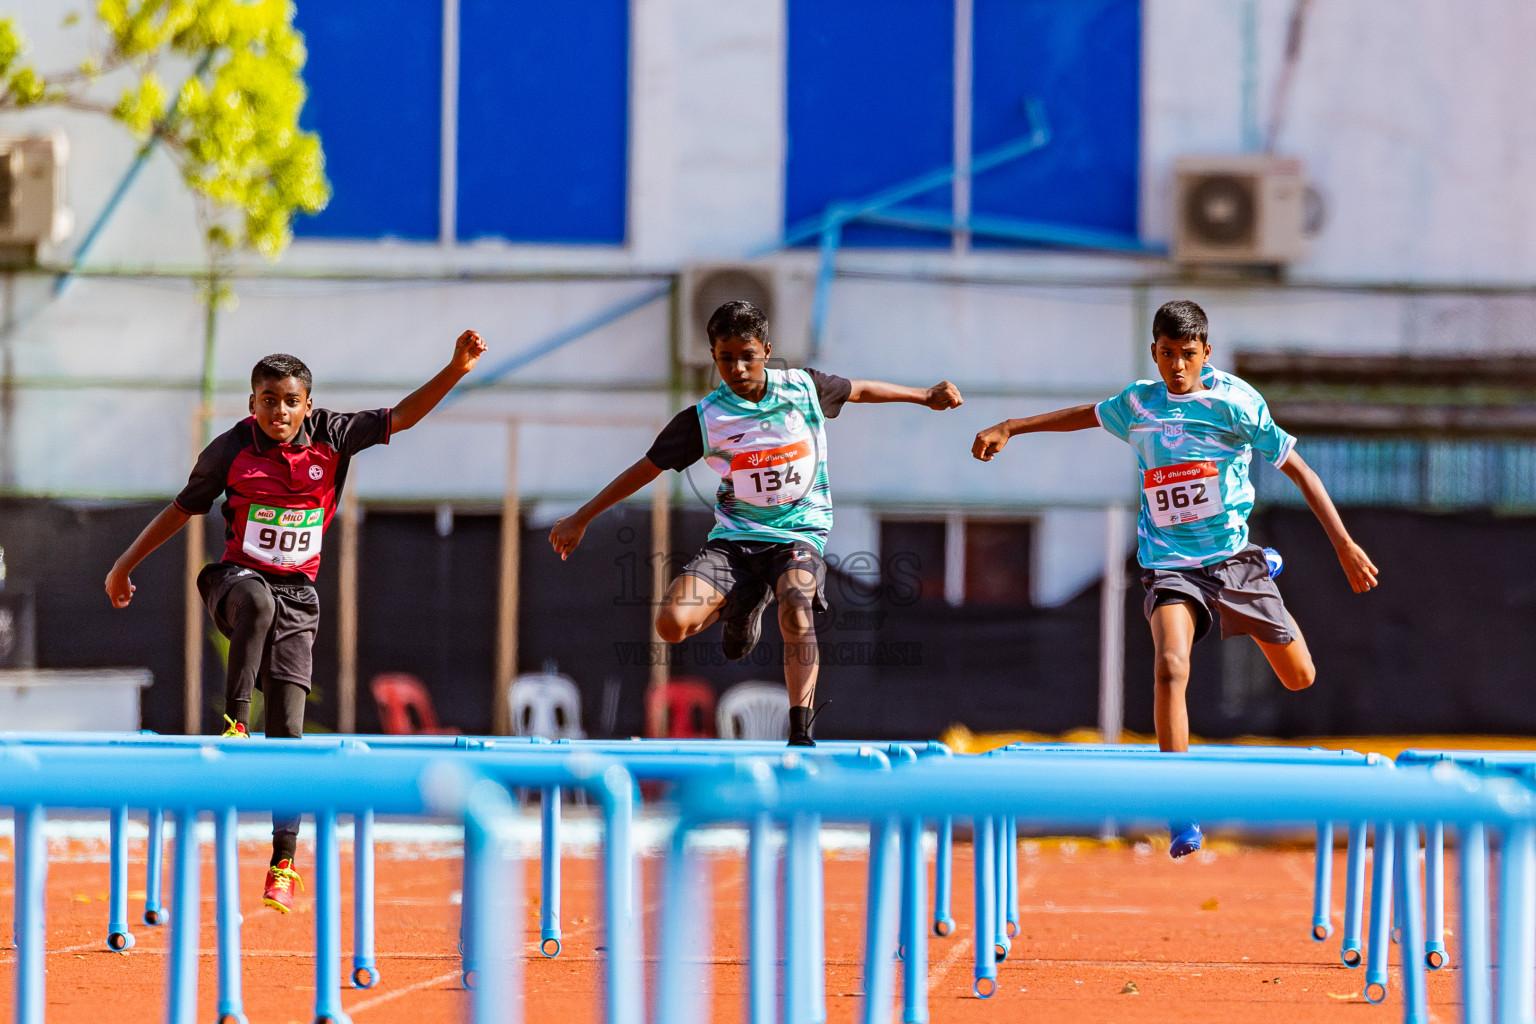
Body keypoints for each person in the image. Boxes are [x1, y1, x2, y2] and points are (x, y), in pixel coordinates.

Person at [971, 299, 1377, 857]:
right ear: (1154, 353)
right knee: (1169, 667)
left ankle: (1264, 565)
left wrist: (1345, 545)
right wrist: (1012, 426)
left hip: (1231, 562)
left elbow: (1300, 470)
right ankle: (1180, 808)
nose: (1178, 366)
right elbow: (1083, 416)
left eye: (1188, 355)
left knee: (1300, 678)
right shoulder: (1138, 403)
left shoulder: (1236, 404)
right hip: (1170, 566)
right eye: (1167, 355)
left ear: (1206, 352)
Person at [105, 330, 487, 909]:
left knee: (289, 734)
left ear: (307, 404)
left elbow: (403, 417)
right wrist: (122, 566)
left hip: (299, 599)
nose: (278, 411)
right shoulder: (229, 451)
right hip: (234, 583)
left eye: (289, 401)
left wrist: (455, 368)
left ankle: (282, 862)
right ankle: (234, 723)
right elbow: (180, 510)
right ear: (251, 403)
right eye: (267, 400)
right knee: (255, 600)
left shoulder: (334, 436)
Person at [549, 300, 962, 746]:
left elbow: (859, 389)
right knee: (671, 624)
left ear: (766, 350)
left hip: (797, 535)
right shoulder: (705, 419)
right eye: (726, 358)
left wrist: (923, 396)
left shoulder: (803, 388)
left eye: (747, 356)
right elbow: (646, 468)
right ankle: (741, 603)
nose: (738, 368)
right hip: (735, 541)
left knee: (796, 606)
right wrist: (581, 516)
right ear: (713, 357)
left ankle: (800, 728)